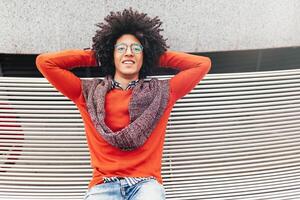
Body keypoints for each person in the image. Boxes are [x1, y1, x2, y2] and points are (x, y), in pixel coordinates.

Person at [36, 8, 211, 200]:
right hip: (104, 185)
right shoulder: (86, 94)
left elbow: (202, 64)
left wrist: (151, 54)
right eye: (121, 48)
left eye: (136, 48)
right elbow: (45, 62)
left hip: (146, 184)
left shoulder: (162, 93)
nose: (128, 53)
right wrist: (101, 55)